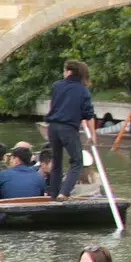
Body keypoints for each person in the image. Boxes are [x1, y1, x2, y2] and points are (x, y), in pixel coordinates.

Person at [44, 59, 96, 201]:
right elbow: (89, 114)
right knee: (77, 161)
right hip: (68, 128)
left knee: (57, 161)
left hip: (52, 127)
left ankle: (53, 194)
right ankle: (64, 193)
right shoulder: (83, 90)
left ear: (69, 72)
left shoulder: (57, 86)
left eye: (64, 70)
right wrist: (92, 135)